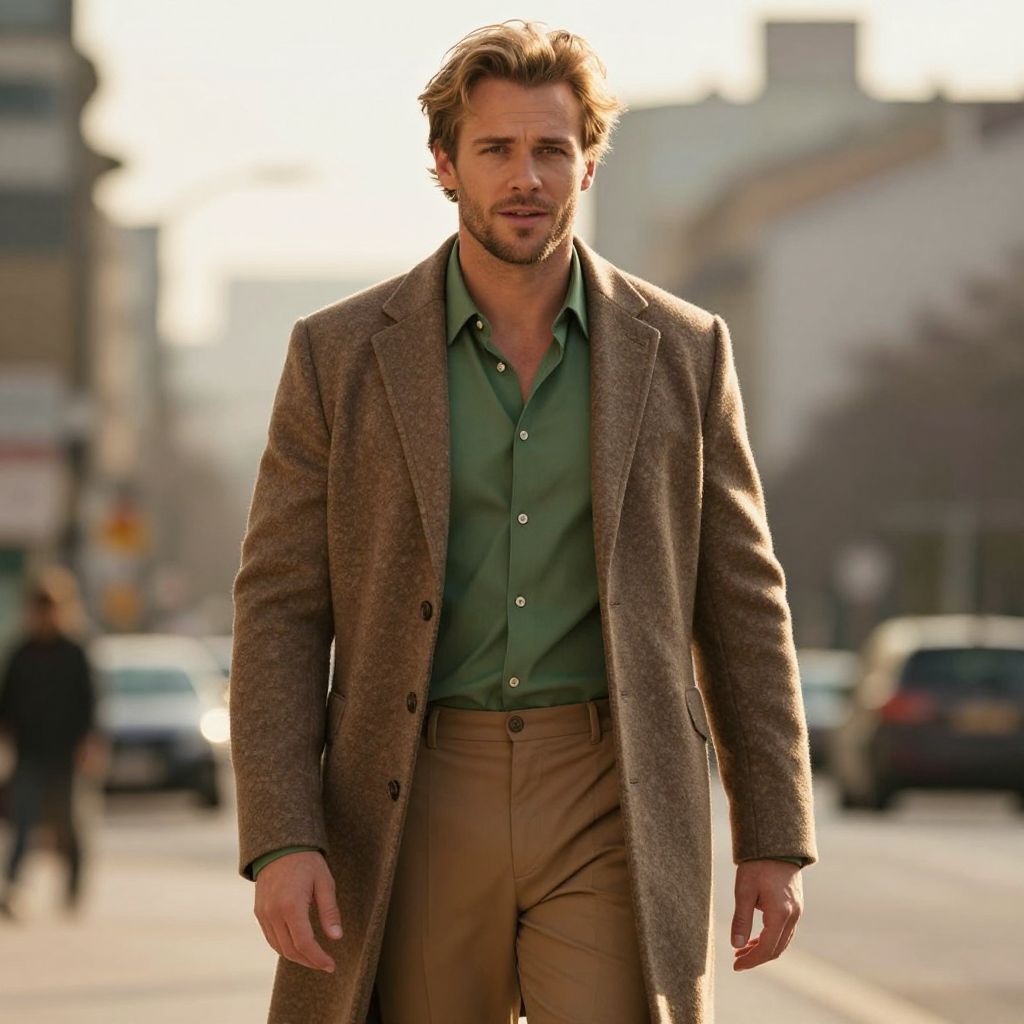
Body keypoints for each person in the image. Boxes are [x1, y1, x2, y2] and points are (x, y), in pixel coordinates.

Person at [230, 19, 818, 1024]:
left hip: (610, 790)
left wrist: (772, 833)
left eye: (551, 148)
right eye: (495, 148)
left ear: (587, 163)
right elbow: (280, 607)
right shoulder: (338, 355)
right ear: (444, 163)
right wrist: (283, 836)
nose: (525, 177)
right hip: (411, 792)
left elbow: (742, 602)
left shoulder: (685, 351)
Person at [0, 582, 98, 920]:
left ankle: (73, 883)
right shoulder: (21, 653)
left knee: (66, 823)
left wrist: (89, 742)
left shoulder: (74, 652)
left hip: (65, 754)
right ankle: (12, 886)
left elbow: (89, 701)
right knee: (23, 821)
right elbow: (7, 702)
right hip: (29, 752)